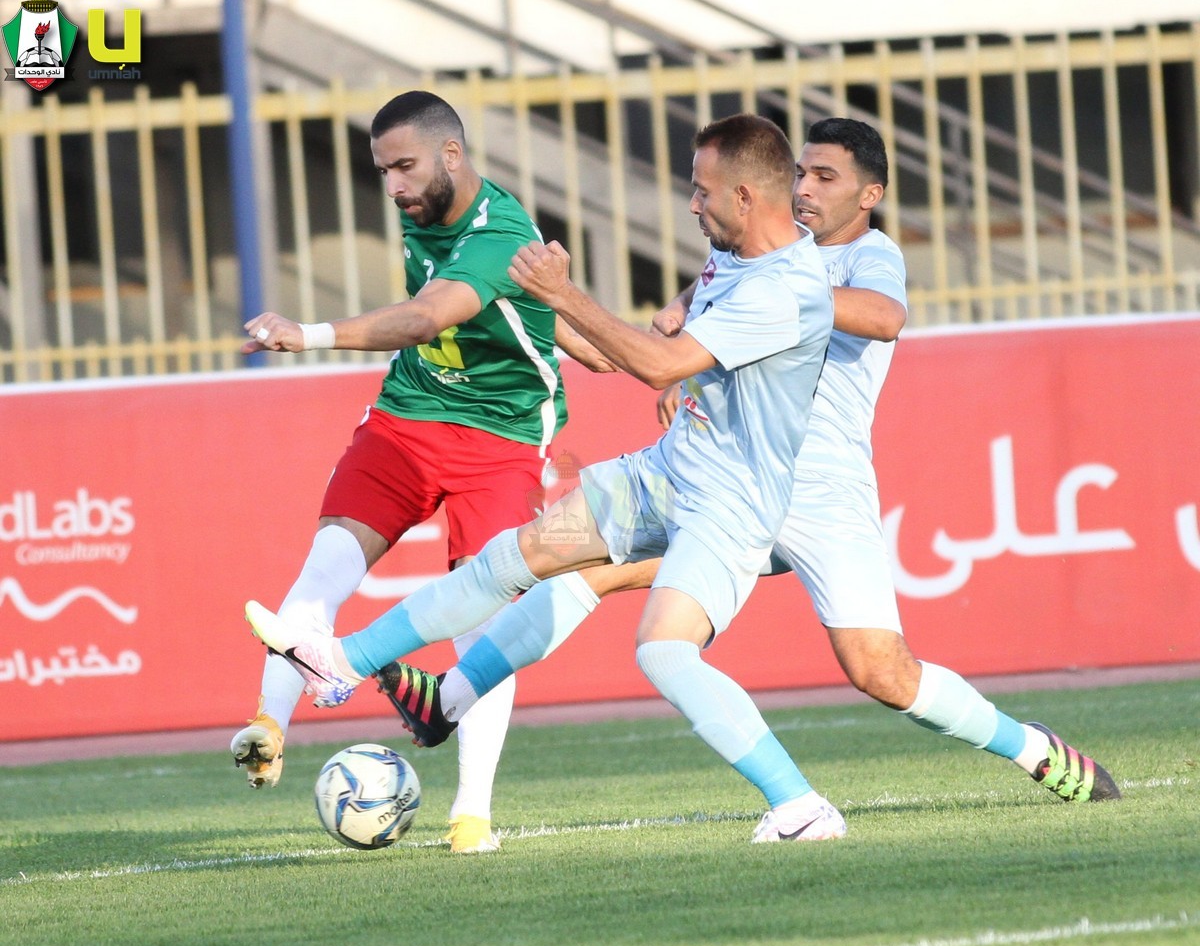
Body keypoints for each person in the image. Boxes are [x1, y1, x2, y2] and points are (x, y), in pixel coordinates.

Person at [363, 117, 1121, 811]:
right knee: (585, 567)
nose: (807, 187)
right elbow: (711, 307)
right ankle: (449, 697)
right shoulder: (745, 251)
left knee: (882, 673)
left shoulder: (865, 256)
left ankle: (1031, 748)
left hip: (819, 493)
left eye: (826, 177)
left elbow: (886, 317)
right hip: (721, 477)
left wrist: (775, 301)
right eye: (802, 172)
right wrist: (695, 339)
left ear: (869, 196)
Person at [246, 113, 852, 843]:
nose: (692, 204)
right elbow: (672, 343)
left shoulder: (787, 287)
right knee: (511, 559)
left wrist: (564, 296)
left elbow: (658, 364)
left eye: (702, 191)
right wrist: (665, 333)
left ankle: (800, 805)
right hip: (661, 476)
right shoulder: (739, 252)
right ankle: (345, 663)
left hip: (729, 505)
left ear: (747, 197)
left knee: (664, 650)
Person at [228, 89, 614, 855]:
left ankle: (471, 815)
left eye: (404, 166)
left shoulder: (499, 231)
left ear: (452, 154)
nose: (394, 186)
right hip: (407, 415)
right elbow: (497, 309)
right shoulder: (423, 211)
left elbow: (427, 315)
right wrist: (569, 326)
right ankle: (269, 724)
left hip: (501, 437)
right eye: (383, 171)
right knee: (323, 568)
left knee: (483, 618)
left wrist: (307, 333)